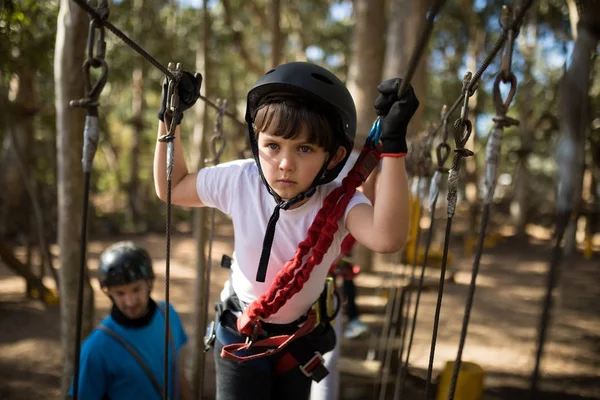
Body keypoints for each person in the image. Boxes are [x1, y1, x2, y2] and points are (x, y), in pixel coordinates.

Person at [153, 61, 418, 400]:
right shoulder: (241, 180)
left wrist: (393, 147)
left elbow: (387, 238)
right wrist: (169, 121)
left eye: (304, 149)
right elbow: (172, 187)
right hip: (239, 331)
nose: (285, 164)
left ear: (334, 156)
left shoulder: (339, 202)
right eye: (273, 145)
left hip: (296, 343)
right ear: (256, 141)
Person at [68, 241, 192, 400]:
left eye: (136, 289)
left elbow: (179, 374)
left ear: (149, 283)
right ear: (109, 293)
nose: (130, 301)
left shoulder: (168, 315)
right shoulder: (95, 348)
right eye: (120, 293)